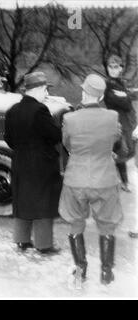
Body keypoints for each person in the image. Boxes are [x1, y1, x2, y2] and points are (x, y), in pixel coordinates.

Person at [60, 74, 123, 286]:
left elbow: (67, 144)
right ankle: (106, 275)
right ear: (102, 95)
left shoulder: (69, 119)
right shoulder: (113, 117)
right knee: (107, 226)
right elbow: (116, 141)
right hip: (105, 179)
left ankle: (80, 272)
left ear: (84, 92)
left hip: (75, 179)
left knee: (76, 224)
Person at [4, 71, 62, 255]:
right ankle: (44, 245)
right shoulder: (40, 111)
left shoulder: (12, 110)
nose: (46, 94)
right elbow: (55, 135)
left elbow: (8, 138)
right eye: (45, 89)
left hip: (20, 161)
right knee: (43, 202)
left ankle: (21, 241)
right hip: (41, 164)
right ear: (37, 89)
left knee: (23, 200)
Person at [103, 55, 137, 192]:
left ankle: (115, 173)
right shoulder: (108, 84)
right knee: (122, 151)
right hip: (116, 122)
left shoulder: (121, 83)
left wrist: (126, 96)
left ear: (121, 68)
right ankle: (124, 182)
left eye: (115, 66)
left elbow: (127, 100)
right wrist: (126, 97)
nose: (112, 69)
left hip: (128, 122)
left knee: (131, 151)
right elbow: (123, 104)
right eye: (110, 67)